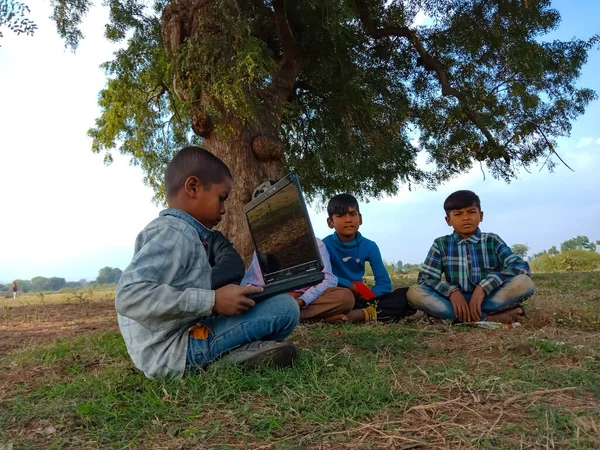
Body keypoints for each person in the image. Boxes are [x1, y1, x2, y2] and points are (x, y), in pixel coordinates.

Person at [115, 146, 300, 379]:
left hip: (174, 342)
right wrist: (212, 301)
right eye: (221, 198)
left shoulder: (180, 233)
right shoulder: (176, 233)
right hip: (175, 350)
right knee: (285, 309)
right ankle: (223, 361)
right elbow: (128, 295)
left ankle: (238, 356)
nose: (223, 210)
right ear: (193, 187)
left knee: (273, 304)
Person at [407, 190, 534, 324]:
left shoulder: (491, 240)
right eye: (458, 214)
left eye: (471, 212)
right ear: (448, 220)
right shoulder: (441, 244)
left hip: (488, 298)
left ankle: (456, 318)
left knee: (524, 282)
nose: (466, 218)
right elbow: (426, 278)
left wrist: (484, 287)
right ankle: (488, 318)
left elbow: (520, 267)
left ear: (481, 215)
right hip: (453, 302)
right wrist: (452, 292)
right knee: (414, 292)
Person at [323, 194, 415, 323]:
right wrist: (351, 285)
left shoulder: (369, 246)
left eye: (352, 214)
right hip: (336, 296)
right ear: (330, 222)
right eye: (341, 216)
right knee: (340, 298)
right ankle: (365, 314)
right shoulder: (324, 245)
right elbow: (322, 276)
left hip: (360, 298)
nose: (348, 220)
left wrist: (370, 297)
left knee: (405, 295)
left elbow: (384, 283)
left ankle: (358, 314)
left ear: (360, 219)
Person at [243, 239, 355, 323]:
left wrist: (302, 301)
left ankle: (285, 317)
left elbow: (329, 279)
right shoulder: (262, 253)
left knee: (345, 297)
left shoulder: (316, 245)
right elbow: (249, 284)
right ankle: (312, 318)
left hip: (307, 300)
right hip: (278, 300)